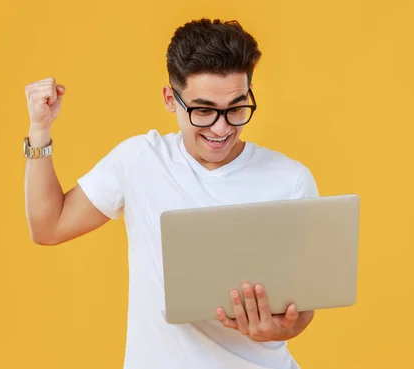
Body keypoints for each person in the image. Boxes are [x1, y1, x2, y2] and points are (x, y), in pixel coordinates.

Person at [24, 18, 318, 369]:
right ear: (170, 98)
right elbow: (48, 227)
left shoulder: (291, 180)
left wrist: (276, 330)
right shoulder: (139, 160)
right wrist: (39, 129)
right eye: (203, 110)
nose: (221, 128)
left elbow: (302, 311)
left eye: (237, 108)